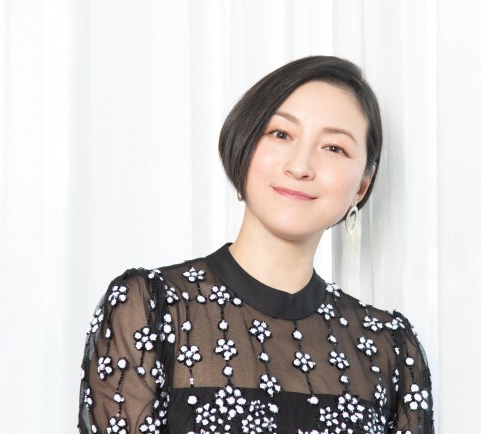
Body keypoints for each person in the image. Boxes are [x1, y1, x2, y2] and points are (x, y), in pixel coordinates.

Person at [78, 56, 434, 434]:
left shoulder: (391, 348)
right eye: (281, 134)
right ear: (244, 144)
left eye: (334, 148)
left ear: (362, 185)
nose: (300, 166)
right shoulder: (150, 307)